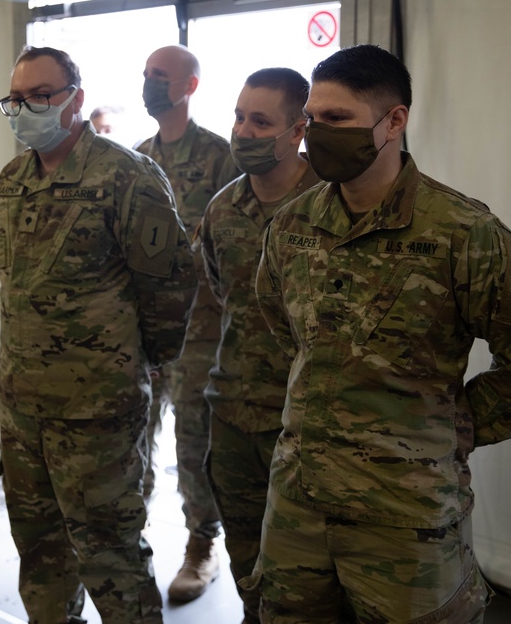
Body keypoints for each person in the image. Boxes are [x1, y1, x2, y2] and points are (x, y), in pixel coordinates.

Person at [252, 44, 511, 622]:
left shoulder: (461, 232)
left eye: (338, 119)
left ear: (394, 121)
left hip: (404, 513)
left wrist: (450, 430)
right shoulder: (293, 225)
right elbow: (283, 330)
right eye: (312, 120)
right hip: (299, 503)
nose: (319, 133)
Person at [0, 46, 198, 624]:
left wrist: (147, 363)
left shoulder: (126, 175)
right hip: (22, 408)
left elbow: (172, 283)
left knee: (111, 554)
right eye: (16, 98)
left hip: (97, 410)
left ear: (76, 100)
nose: (25, 107)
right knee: (40, 553)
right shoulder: (9, 183)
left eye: (41, 96)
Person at [200, 67, 318, 623]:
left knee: (307, 578)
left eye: (261, 121)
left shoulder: (331, 208)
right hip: (233, 417)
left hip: (305, 426)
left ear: (297, 130)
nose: (243, 132)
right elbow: (225, 296)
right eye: (239, 117)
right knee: (248, 562)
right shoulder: (223, 211)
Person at [136, 44, 238, 603]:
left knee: (194, 441)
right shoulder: (136, 158)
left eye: (161, 75)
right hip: (148, 332)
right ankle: (130, 536)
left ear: (189, 86)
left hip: (203, 331)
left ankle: (203, 544)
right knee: (136, 437)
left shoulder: (222, 157)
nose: (150, 83)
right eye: (146, 74)